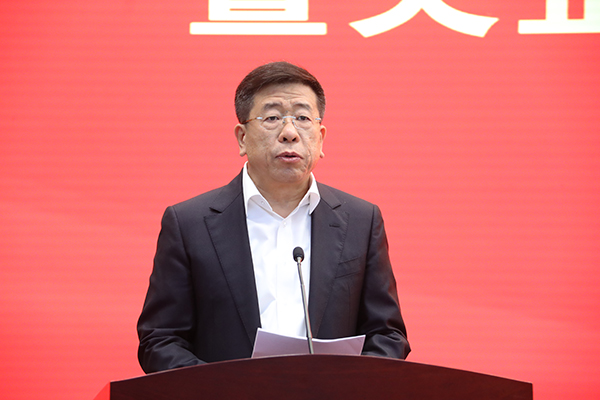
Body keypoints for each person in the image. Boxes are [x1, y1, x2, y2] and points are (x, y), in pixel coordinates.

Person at [137, 61, 410, 373]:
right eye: (272, 118)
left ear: (321, 138)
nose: (290, 133)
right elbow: (160, 340)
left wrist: (347, 387)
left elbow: (388, 335)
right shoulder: (189, 224)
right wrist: (222, 391)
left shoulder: (361, 221)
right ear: (242, 137)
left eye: (303, 118)